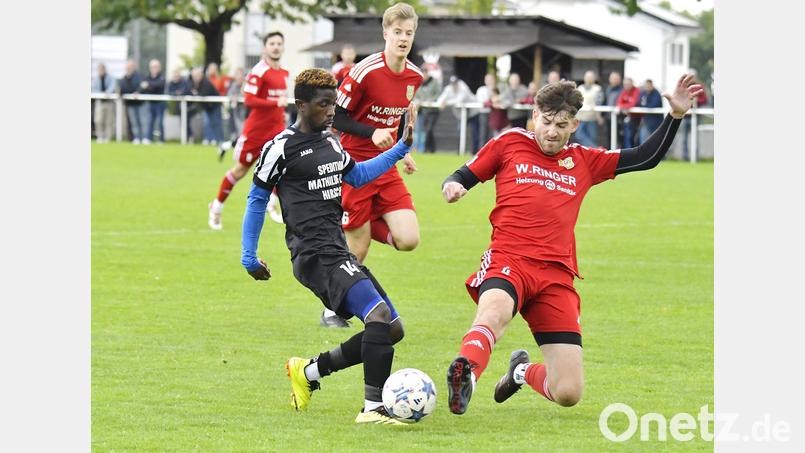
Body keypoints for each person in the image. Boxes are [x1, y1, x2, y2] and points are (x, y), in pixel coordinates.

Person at [441, 75, 703, 415]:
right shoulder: (509, 144)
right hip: (509, 259)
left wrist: (676, 116)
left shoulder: (584, 160)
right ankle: (467, 377)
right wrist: (452, 185)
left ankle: (520, 372)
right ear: (534, 115)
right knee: (494, 314)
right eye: (546, 121)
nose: (551, 131)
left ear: (574, 125)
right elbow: (464, 174)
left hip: (556, 275)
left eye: (560, 125)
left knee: (568, 392)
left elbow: (644, 157)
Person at [241, 68, 417, 425]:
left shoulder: (332, 142)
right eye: (323, 104)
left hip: (336, 251)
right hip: (314, 255)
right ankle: (373, 409)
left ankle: (308, 372)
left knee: (391, 329)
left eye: (333, 103)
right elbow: (257, 200)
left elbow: (359, 175)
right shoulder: (280, 148)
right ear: (301, 104)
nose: (331, 111)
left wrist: (401, 148)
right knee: (378, 317)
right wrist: (249, 255)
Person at [329, 2, 424, 328]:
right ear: (385, 33)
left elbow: (396, 118)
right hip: (354, 167)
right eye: (397, 32)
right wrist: (372, 132)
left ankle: (362, 220)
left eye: (408, 33)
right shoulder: (364, 71)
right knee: (359, 247)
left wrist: (403, 150)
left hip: (385, 167)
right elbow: (336, 117)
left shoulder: (415, 76)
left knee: (409, 239)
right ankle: (332, 309)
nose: (403, 38)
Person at [211, 31, 289, 230]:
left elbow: (279, 103)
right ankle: (217, 206)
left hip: (276, 131)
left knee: (282, 168)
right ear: (265, 48)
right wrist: (274, 103)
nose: (276, 46)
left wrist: (281, 114)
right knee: (240, 171)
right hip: (255, 133)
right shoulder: (258, 71)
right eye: (272, 43)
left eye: (279, 43)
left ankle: (272, 205)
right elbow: (249, 100)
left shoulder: (284, 73)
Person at [437, 75, 481, 154]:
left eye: (455, 84)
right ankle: (459, 151)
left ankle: (475, 152)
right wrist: (442, 102)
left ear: (458, 83)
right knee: (459, 132)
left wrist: (446, 103)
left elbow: (459, 100)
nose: (454, 86)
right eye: (453, 84)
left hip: (473, 112)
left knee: (474, 132)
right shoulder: (448, 89)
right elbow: (440, 100)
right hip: (461, 115)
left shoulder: (463, 87)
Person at [187, 67, 220, 144]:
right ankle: (207, 139)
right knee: (206, 123)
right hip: (206, 107)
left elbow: (203, 94)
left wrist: (195, 93)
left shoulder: (206, 83)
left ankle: (217, 139)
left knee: (215, 123)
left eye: (197, 75)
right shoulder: (192, 83)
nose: (195, 77)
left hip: (214, 105)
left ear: (201, 75)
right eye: (194, 76)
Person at [412, 69, 441, 153]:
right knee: (419, 129)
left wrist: (430, 100)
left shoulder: (434, 82)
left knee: (429, 130)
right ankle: (419, 148)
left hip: (432, 110)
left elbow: (438, 94)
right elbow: (415, 95)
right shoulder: (418, 82)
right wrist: (419, 101)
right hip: (421, 110)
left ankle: (425, 148)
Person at [118, 59, 146, 144]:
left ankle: (144, 138)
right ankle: (136, 138)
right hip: (130, 103)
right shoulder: (124, 78)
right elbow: (122, 89)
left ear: (134, 67)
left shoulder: (140, 76)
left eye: (130, 67)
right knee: (134, 122)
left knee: (142, 121)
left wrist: (138, 92)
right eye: (127, 67)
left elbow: (143, 86)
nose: (128, 68)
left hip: (140, 103)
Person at [574, 70, 604, 148]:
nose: (589, 79)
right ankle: (596, 149)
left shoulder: (598, 89)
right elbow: (576, 102)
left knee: (593, 137)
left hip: (592, 118)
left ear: (594, 78)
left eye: (591, 77)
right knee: (579, 136)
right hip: (581, 118)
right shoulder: (580, 88)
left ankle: (593, 152)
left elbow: (599, 102)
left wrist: (599, 116)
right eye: (587, 77)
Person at [141, 59, 166, 144]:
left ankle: (161, 139)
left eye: (156, 67)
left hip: (160, 103)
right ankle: (148, 138)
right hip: (151, 103)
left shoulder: (162, 76)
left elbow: (159, 85)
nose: (154, 69)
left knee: (159, 122)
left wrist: (149, 85)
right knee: (150, 121)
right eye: (152, 67)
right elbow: (142, 87)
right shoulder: (147, 77)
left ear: (159, 68)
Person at [92, 63, 116, 143]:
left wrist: (107, 93)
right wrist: (101, 94)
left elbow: (112, 87)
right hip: (100, 102)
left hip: (109, 101)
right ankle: (100, 136)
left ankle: (107, 137)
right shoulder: (96, 79)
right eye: (99, 70)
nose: (101, 71)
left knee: (109, 121)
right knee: (98, 120)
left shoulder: (110, 78)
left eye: (102, 69)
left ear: (105, 70)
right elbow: (93, 89)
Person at [616, 77, 641, 148]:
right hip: (627, 118)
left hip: (637, 119)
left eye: (628, 84)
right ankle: (628, 153)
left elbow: (633, 103)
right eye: (625, 84)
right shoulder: (624, 91)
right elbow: (618, 103)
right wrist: (625, 107)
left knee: (633, 138)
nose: (626, 86)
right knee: (626, 137)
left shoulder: (636, 90)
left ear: (632, 84)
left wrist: (624, 107)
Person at [637, 79, 663, 145]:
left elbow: (654, 104)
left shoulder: (656, 93)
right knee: (643, 141)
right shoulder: (643, 93)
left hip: (656, 122)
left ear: (652, 85)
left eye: (649, 85)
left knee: (656, 142)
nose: (647, 87)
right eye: (646, 85)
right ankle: (644, 155)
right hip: (646, 121)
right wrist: (645, 106)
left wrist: (645, 106)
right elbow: (639, 103)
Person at [475, 73, 497, 144]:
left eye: (491, 80)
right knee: (483, 133)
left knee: (492, 134)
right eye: (488, 80)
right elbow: (482, 102)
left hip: (494, 114)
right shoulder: (481, 90)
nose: (489, 81)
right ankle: (481, 151)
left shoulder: (496, 89)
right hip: (483, 113)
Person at [226, 67, 246, 143]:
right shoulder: (233, 85)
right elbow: (229, 95)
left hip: (245, 113)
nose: (239, 78)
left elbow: (247, 95)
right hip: (236, 113)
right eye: (237, 75)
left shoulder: (246, 85)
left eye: (240, 75)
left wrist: (238, 97)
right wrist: (234, 98)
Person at [604, 71, 623, 148]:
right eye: (612, 78)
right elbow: (605, 101)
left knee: (618, 138)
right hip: (608, 117)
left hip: (619, 118)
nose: (614, 80)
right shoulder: (608, 89)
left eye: (616, 78)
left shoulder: (622, 90)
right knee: (608, 136)